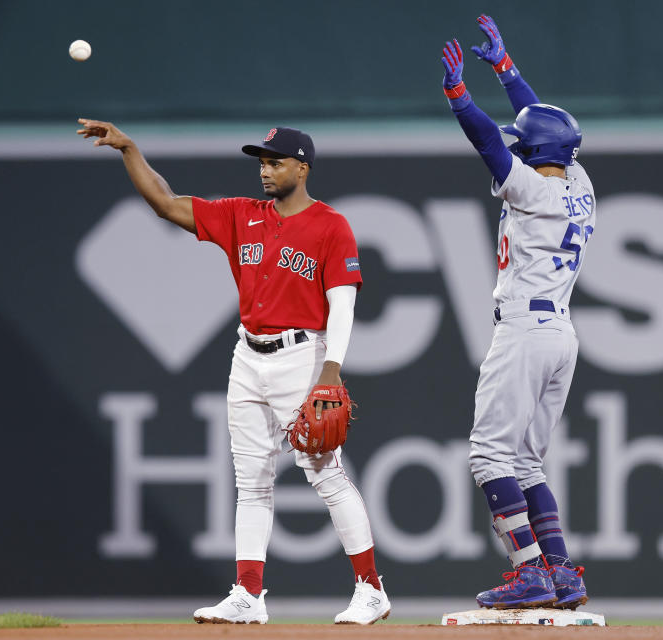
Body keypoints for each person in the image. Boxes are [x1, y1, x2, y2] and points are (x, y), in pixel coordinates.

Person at [76, 120, 391, 625]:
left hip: (301, 357)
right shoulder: (241, 215)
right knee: (252, 481)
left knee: (325, 474)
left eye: (276, 162)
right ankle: (248, 595)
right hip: (247, 356)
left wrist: (331, 370)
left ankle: (371, 589)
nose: (265, 170)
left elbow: (343, 305)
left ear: (302, 167)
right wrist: (130, 149)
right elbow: (167, 202)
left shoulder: (331, 225)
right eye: (262, 162)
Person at [440, 15, 593, 610]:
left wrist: (459, 98)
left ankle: (529, 572)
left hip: (525, 331)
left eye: (521, 144)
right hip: (561, 334)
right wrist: (509, 73)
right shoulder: (578, 181)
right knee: (526, 460)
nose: (514, 144)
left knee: (488, 454)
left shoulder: (529, 190)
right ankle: (561, 574)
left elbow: (486, 140)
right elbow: (544, 127)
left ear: (532, 154)